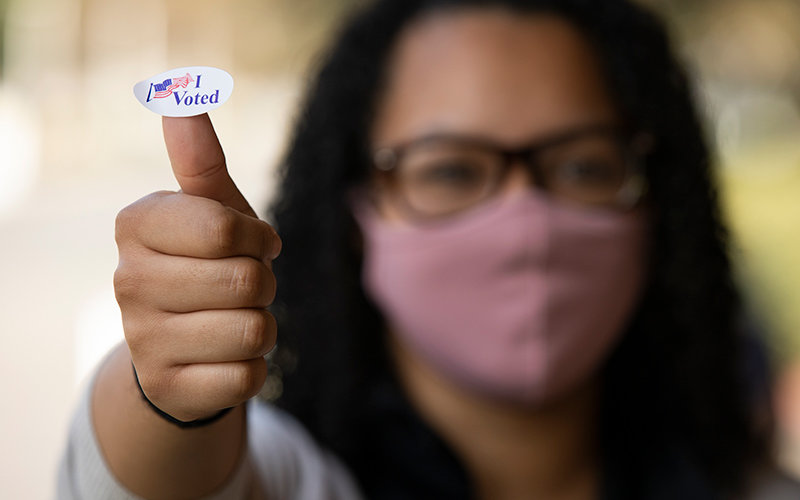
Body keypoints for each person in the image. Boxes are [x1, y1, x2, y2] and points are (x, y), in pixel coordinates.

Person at [58, 0, 800, 498]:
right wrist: (170, 394)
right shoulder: (292, 481)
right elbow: (151, 480)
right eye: (450, 169)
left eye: (581, 165)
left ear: (655, 203)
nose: (524, 219)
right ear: (353, 215)